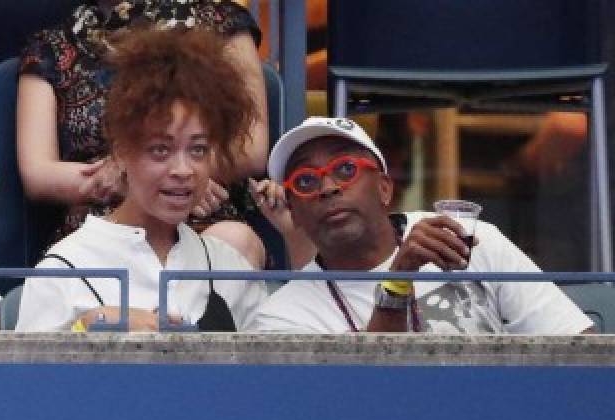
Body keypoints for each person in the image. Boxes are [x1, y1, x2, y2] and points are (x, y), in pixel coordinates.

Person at [17, 0, 311, 269]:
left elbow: (250, 147)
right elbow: (38, 173)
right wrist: (133, 178)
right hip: (102, 218)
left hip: (203, 212)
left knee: (233, 242)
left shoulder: (223, 24)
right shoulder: (49, 47)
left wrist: (182, 177)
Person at [16, 28, 275, 332]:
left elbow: (276, 357)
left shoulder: (226, 266)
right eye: (160, 150)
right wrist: (86, 327)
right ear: (121, 151)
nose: (183, 170)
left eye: (198, 150)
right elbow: (29, 364)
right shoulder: (65, 270)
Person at [247, 117, 594, 334]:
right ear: (294, 212)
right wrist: (398, 283)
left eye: (345, 169)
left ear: (385, 188)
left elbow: (582, 352)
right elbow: (365, 406)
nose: (328, 187)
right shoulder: (282, 318)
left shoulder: (468, 239)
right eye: (306, 181)